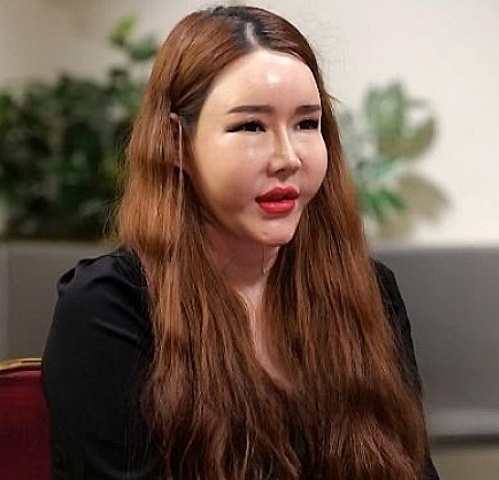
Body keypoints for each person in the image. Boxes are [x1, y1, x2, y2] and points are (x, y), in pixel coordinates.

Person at [42, 5, 439, 480]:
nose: (287, 157)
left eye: (307, 124)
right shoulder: (112, 307)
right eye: (251, 126)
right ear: (177, 143)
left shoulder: (368, 290)